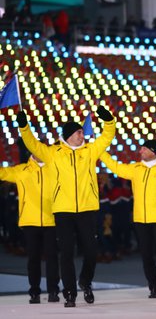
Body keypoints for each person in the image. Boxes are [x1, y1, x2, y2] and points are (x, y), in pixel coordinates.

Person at [17, 106, 115, 308]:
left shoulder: (90, 150)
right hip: (62, 210)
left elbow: (107, 137)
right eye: (79, 132)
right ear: (70, 135)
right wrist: (24, 126)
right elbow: (32, 144)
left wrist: (109, 121)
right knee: (67, 253)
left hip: (87, 209)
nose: (83, 134)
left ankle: (85, 281)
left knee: (91, 251)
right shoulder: (53, 153)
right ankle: (69, 293)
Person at [100, 140, 156, 298]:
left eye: (144, 149)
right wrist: (101, 152)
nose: (140, 151)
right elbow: (116, 167)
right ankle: (153, 286)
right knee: (146, 254)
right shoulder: (136, 169)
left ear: (153, 151)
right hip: (141, 220)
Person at [0, 155, 60, 304]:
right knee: (33, 258)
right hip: (29, 221)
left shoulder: (54, 169)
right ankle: (34, 292)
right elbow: (2, 173)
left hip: (50, 221)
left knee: (52, 257)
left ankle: (53, 291)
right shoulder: (21, 170)